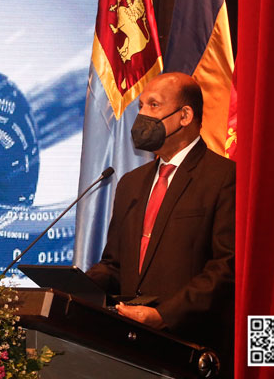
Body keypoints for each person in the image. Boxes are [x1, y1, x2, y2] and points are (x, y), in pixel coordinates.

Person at [86, 72, 235, 371]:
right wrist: (75, 288)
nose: (141, 115)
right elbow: (114, 264)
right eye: (141, 106)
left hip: (191, 348)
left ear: (184, 116)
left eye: (153, 105)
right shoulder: (130, 183)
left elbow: (226, 266)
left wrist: (164, 315)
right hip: (130, 348)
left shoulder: (223, 178)